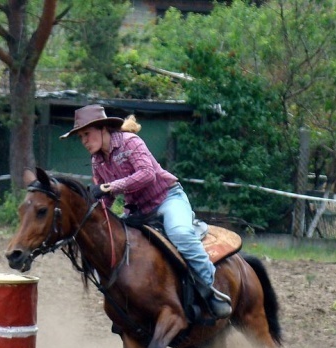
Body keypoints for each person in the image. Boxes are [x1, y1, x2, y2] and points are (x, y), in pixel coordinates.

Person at [60, 104, 232, 319]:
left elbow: (147, 174)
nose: (84, 140)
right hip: (138, 211)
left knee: (181, 234)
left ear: (103, 128)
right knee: (114, 244)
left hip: (168, 199)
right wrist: (95, 219)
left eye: (87, 134)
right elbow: (106, 197)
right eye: (80, 137)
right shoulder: (97, 160)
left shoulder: (130, 142)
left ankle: (211, 291)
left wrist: (108, 187)